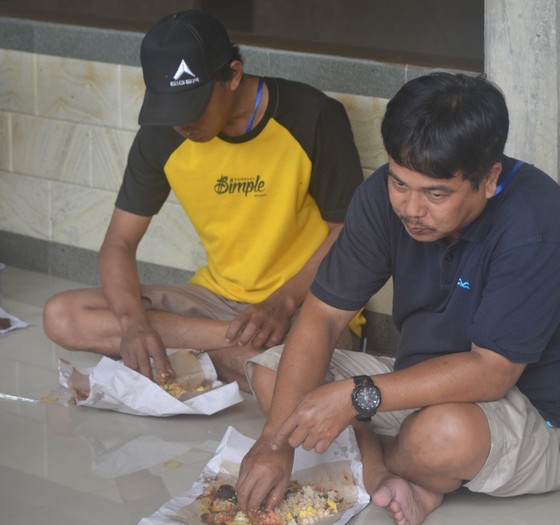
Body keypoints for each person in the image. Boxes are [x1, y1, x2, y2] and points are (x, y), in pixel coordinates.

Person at [235, 72, 560, 525]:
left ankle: (383, 462)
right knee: (274, 369)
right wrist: (274, 442)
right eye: (400, 183)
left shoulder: (535, 222)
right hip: (417, 383)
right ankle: (390, 470)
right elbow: (323, 317)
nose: (410, 208)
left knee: (442, 436)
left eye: (436, 194)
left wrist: (355, 397)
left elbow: (492, 373)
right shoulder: (381, 198)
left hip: (528, 414)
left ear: (489, 179)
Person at [43, 10, 364, 391]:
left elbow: (347, 234)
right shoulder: (163, 135)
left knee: (284, 377)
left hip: (305, 301)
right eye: (169, 109)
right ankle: (234, 350)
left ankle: (209, 354)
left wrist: (284, 302)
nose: (182, 124)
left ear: (233, 75)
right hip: (214, 301)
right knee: (62, 315)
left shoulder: (313, 116)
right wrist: (134, 324)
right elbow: (119, 242)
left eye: (191, 107)